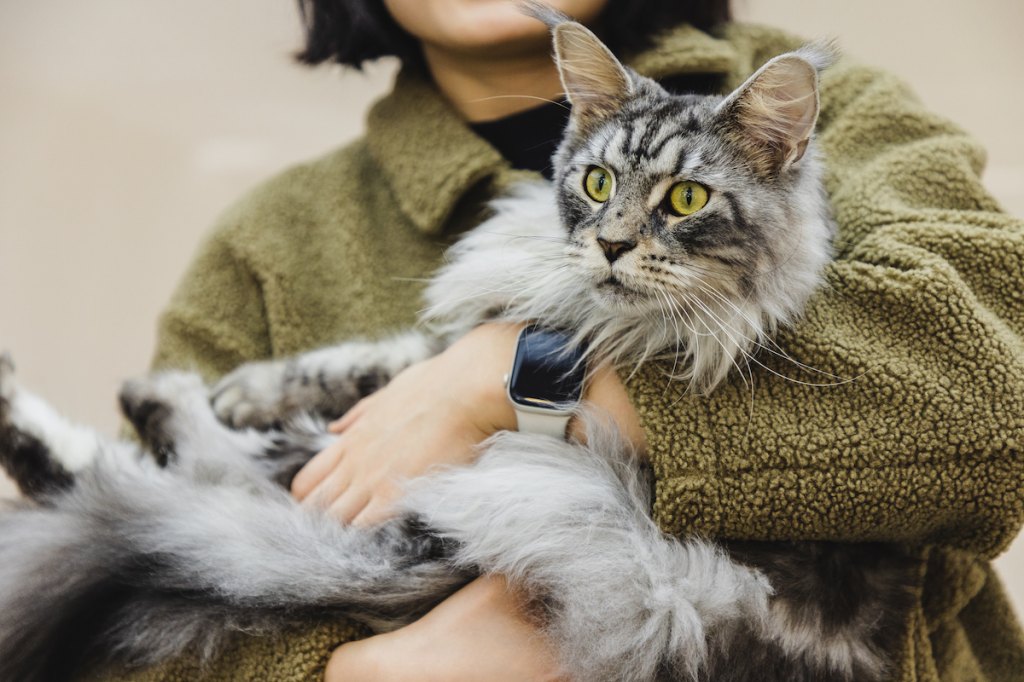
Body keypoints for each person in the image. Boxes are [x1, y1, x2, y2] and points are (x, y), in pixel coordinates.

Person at [119, 0, 1024, 680]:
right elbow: (108, 599)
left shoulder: (846, 113)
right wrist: (360, 673)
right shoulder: (271, 238)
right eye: (597, 191)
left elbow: (993, 399)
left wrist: (511, 378)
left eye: (680, 200)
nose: (620, 235)